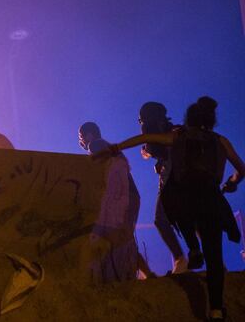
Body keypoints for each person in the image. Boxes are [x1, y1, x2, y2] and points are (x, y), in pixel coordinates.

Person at [95, 97, 245, 321]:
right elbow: (241, 168)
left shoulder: (178, 136)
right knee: (212, 252)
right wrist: (232, 182)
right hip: (212, 199)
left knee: (171, 213)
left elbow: (145, 137)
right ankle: (215, 309)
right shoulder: (220, 141)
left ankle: (190, 251)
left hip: (184, 195)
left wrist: (116, 147)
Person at [78, 121, 155, 278]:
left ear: (89, 135)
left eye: (81, 136)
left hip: (122, 198)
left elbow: (100, 170)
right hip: (128, 197)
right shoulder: (106, 146)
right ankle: (146, 273)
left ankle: (142, 274)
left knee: (117, 237)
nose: (81, 141)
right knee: (121, 238)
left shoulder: (95, 144)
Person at [138, 102, 188, 274]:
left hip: (171, 183)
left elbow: (154, 147)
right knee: (194, 222)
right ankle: (215, 261)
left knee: (160, 220)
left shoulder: (151, 130)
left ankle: (179, 259)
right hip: (189, 181)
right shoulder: (177, 131)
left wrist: (148, 151)